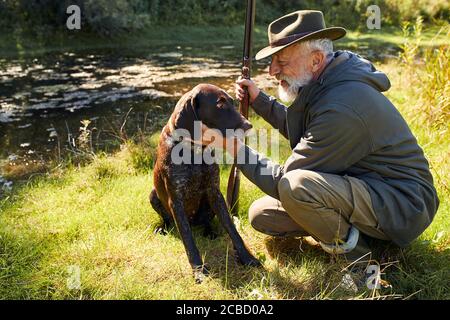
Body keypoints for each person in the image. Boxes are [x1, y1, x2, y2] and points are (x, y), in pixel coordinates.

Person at [203, 10, 439, 260]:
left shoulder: (342, 107)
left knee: (295, 187)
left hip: (404, 206)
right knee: (264, 214)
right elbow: (307, 129)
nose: (272, 70)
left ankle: (359, 261)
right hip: (367, 187)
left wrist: (233, 147)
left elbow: (286, 180)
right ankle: (357, 233)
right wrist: (259, 100)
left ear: (315, 60)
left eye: (281, 62)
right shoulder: (330, 80)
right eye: (272, 61)